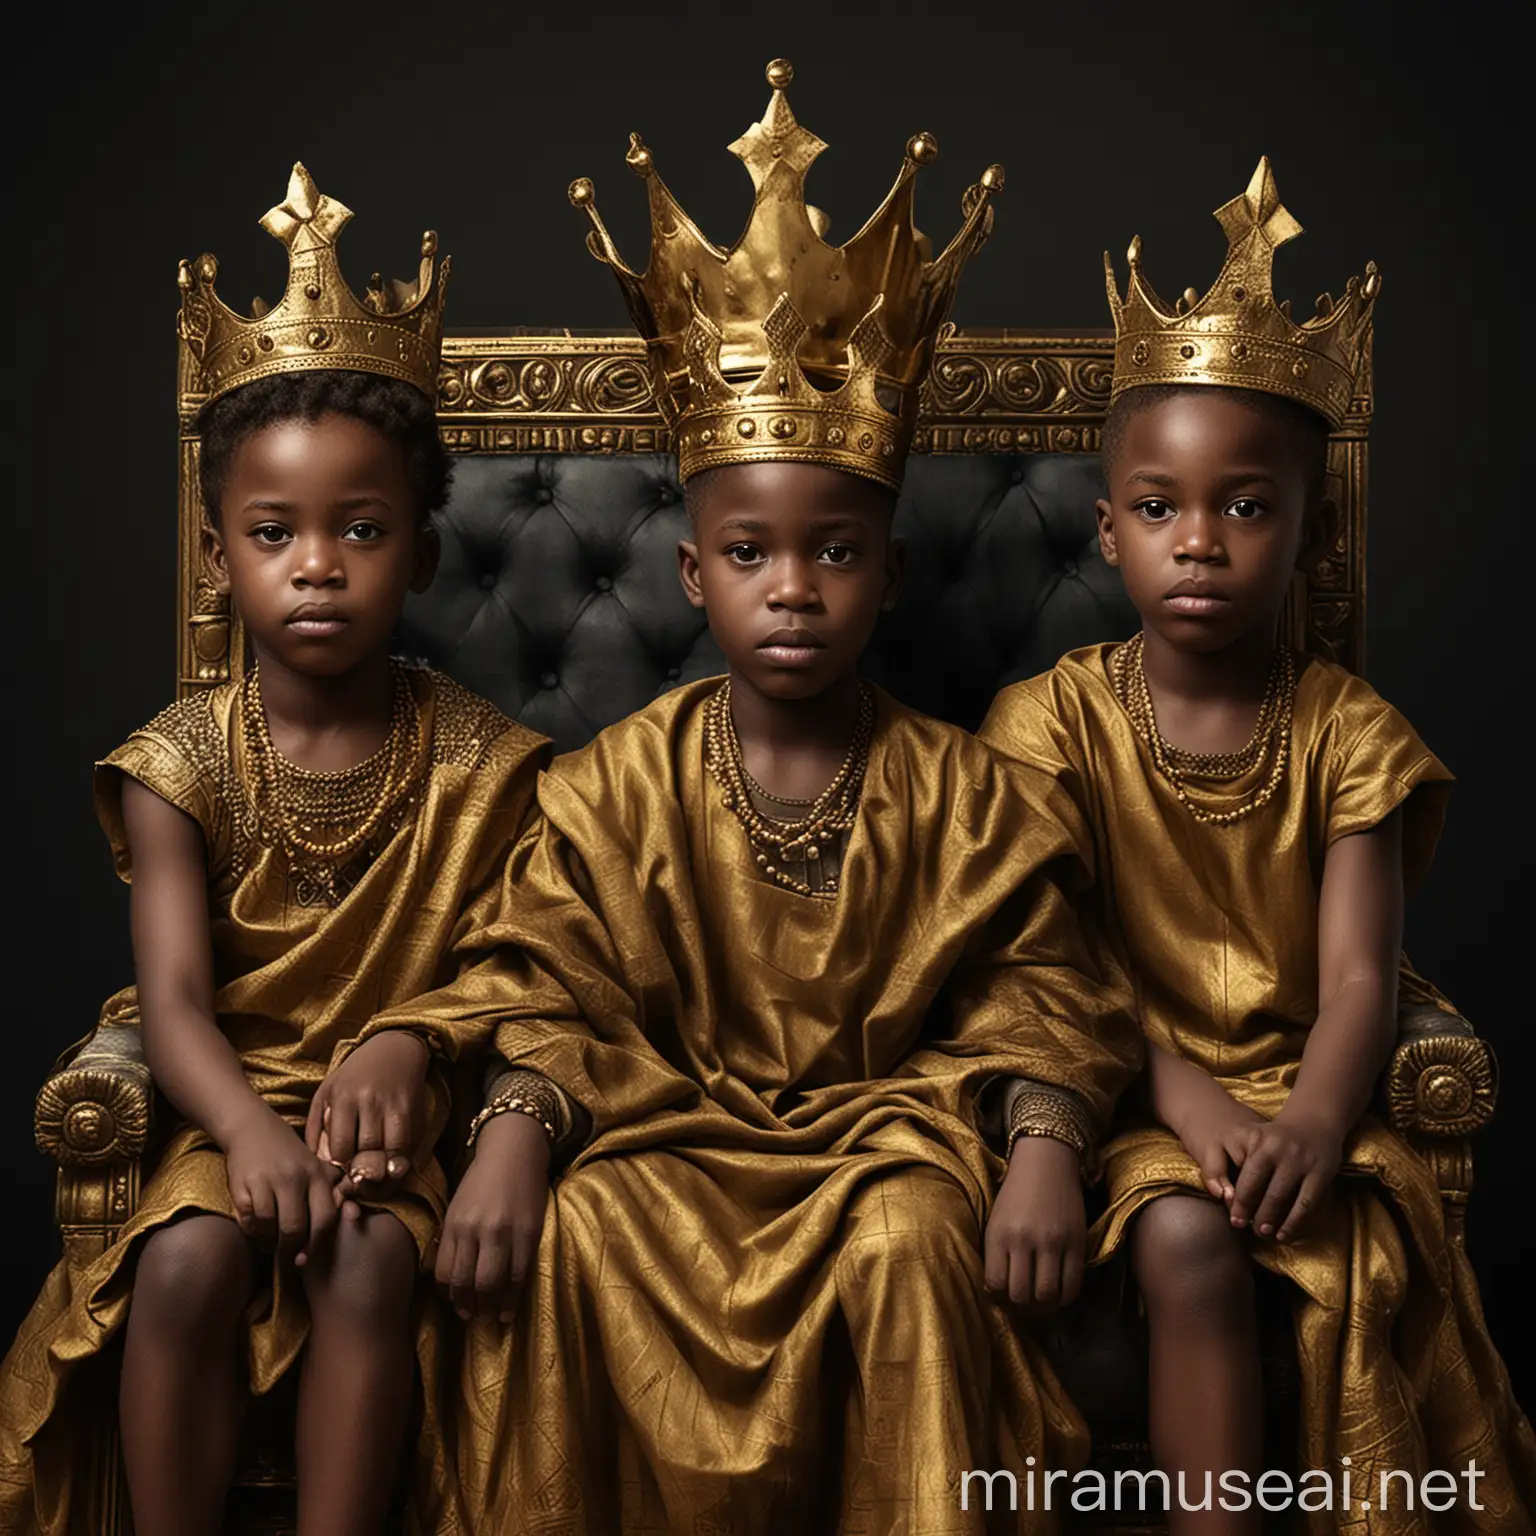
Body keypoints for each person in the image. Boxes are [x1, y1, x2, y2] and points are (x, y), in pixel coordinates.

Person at [354, 60, 1141, 1536]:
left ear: (889, 574)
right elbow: (544, 974)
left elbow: (1047, 991)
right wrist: (517, 1130)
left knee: (913, 1238)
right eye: (756, 555)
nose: (796, 589)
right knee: (575, 1228)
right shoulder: (614, 786)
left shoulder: (970, 797)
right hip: (664, 1143)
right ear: (691, 574)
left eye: (836, 552)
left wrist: (1042, 1146)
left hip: (883, 1152)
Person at [980, 159, 1536, 1535]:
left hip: (1302, 1095)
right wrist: (1195, 1109)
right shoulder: (1047, 726)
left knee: (1332, 1246)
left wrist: (1305, 1119)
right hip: (1121, 1089)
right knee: (1181, 1236)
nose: (1203, 544)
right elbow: (1053, 972)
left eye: (1247, 506)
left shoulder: (1347, 731)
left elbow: (1359, 982)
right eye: (1161, 508)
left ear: (1309, 526)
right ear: (1109, 532)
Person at [0, 165, 549, 1536]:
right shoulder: (179, 762)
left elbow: (518, 969)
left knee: (368, 1263)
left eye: (360, 531)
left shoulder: (491, 762)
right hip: (225, 1100)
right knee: (182, 1267)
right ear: (215, 556)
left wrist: (410, 1056)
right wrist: (246, 1135)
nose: (317, 566)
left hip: (398, 1118)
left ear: (420, 551)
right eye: (274, 535)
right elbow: (174, 1003)